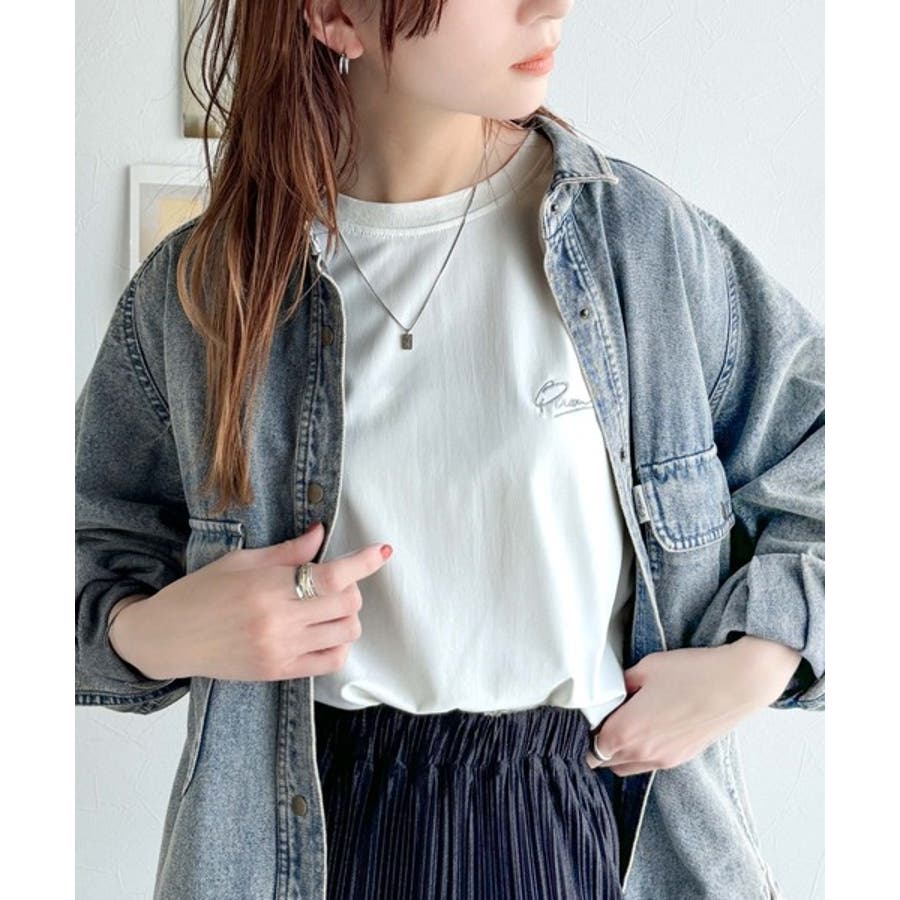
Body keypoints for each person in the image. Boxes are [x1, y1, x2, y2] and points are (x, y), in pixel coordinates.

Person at [75, 2, 824, 898]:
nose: (548, 7)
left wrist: (758, 663)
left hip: (577, 824)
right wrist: (156, 632)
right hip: (303, 841)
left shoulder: (641, 245)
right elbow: (81, 547)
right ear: (336, 15)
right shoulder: (206, 291)